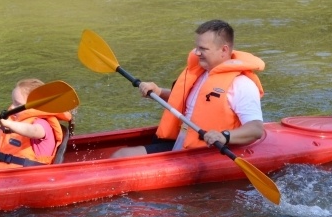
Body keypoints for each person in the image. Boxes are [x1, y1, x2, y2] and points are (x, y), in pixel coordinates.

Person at [111, 19, 264, 158]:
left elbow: (256, 129)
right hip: (181, 141)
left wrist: (224, 136)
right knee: (121, 154)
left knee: (121, 156)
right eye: (197, 47)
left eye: (203, 49)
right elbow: (193, 103)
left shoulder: (241, 84)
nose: (197, 53)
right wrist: (158, 92)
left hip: (205, 151)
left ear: (224, 50)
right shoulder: (201, 73)